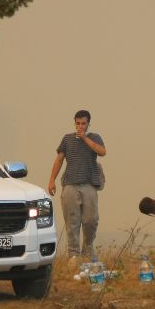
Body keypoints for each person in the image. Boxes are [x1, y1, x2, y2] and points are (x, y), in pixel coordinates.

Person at [47, 109, 106, 262]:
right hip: (70, 185)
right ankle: (73, 255)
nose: (80, 126)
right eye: (78, 123)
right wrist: (52, 180)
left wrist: (85, 138)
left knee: (90, 220)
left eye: (83, 123)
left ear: (88, 124)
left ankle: (87, 251)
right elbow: (59, 159)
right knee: (72, 222)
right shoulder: (67, 139)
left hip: (89, 185)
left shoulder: (94, 137)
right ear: (74, 123)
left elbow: (102, 152)